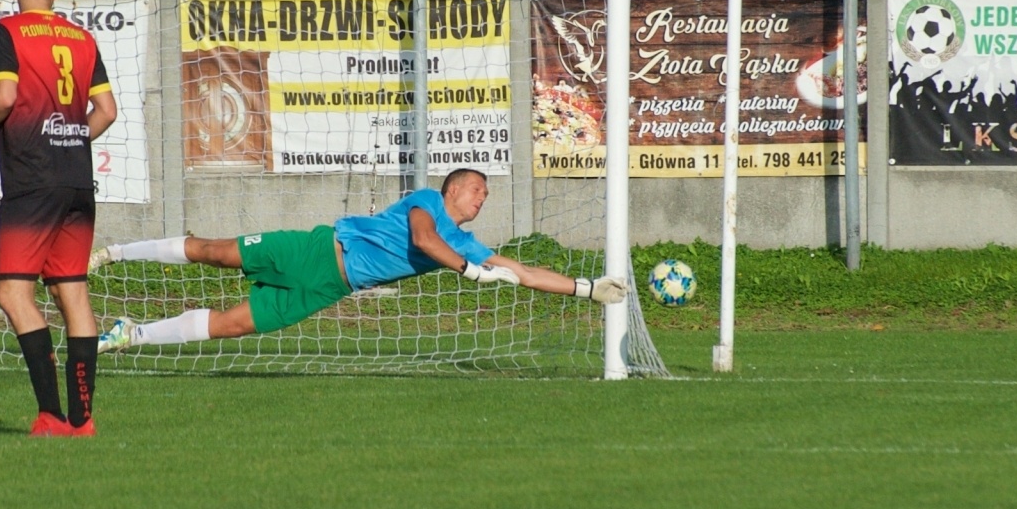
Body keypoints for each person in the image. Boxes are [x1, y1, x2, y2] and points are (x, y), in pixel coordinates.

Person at [93, 168, 628, 352]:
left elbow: (523, 271)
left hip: (330, 287)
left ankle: (131, 334)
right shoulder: (427, 202)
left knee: (232, 325)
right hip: (315, 248)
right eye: (476, 190)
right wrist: (468, 271)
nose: (482, 199)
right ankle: (115, 252)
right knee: (216, 252)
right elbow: (423, 240)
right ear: (453, 189)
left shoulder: (465, 243)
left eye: (485, 195)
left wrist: (586, 288)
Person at [0, 0, 117, 437]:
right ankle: (83, 419)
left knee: (13, 292)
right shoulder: (82, 38)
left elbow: (5, 97)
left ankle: (51, 414)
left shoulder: (6, 31)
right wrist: (71, 137)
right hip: (77, 181)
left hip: (32, 182)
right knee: (71, 291)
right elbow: (107, 111)